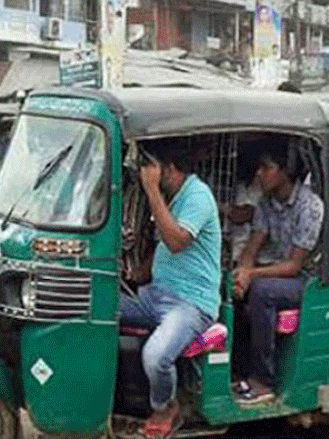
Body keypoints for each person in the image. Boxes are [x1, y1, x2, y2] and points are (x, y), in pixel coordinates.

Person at [119, 139, 221, 438]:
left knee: (156, 356)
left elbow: (176, 241)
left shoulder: (198, 196)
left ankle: (166, 406)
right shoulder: (175, 197)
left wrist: (151, 190)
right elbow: (164, 241)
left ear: (171, 170)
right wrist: (139, 272)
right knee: (98, 307)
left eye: (153, 170)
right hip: (156, 295)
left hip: (190, 304)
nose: (147, 176)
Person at [232, 140, 323, 406]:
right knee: (233, 284)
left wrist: (253, 275)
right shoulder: (266, 202)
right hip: (273, 272)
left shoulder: (310, 206)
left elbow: (294, 266)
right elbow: (253, 244)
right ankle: (238, 370)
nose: (259, 173)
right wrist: (242, 271)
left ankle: (263, 381)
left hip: (303, 281)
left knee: (261, 291)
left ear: (286, 171)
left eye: (267, 168)